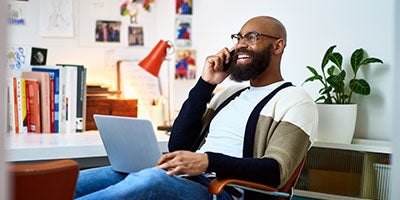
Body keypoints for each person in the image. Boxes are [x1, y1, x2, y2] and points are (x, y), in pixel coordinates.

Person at [74, 16, 318, 200]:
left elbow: (276, 172)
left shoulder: (295, 100)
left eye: (252, 38)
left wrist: (207, 162)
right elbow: (178, 144)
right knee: (77, 179)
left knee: (150, 179)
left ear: (278, 46)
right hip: (186, 178)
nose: (240, 45)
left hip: (224, 191)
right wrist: (205, 84)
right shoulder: (230, 94)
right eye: (239, 38)